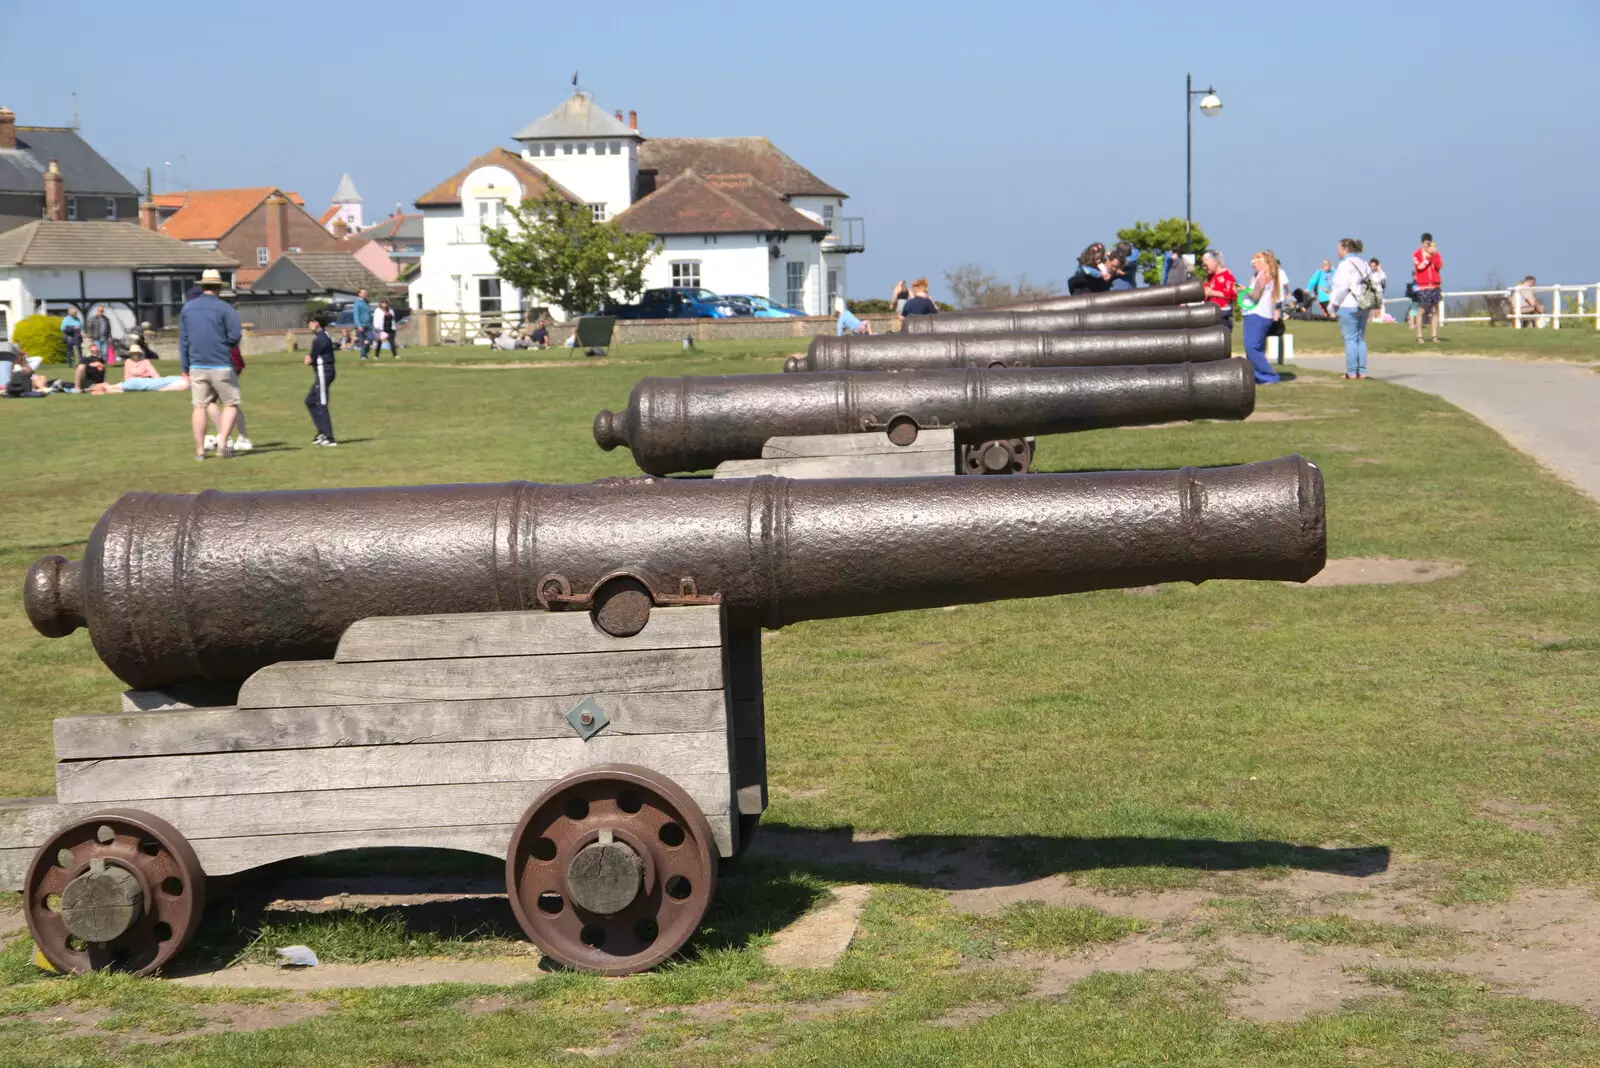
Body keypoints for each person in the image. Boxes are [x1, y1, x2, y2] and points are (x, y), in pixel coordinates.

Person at [180, 268, 243, 460]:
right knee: (230, 404)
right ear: (219, 288)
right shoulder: (225, 308)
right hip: (221, 363)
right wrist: (224, 343)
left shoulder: (187, 308)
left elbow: (183, 340)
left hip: (197, 365)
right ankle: (222, 442)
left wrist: (185, 366)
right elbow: (235, 335)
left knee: (199, 406)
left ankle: (200, 450)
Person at [1328, 238, 1373, 379]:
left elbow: (1341, 287)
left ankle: (1352, 372)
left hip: (1348, 304)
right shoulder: (1364, 263)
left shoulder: (1345, 265)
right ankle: (1362, 371)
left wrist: (1332, 305)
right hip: (1363, 304)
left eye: (1339, 248)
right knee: (1360, 338)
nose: (1337, 251)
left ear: (1345, 249)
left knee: (1350, 339)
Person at [1240, 252, 1283, 385]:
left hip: (1257, 315)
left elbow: (1255, 295)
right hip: (1263, 315)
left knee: (1251, 347)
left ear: (1261, 262)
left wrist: (1243, 289)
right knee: (1256, 347)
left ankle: (1269, 376)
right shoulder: (1270, 275)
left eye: (1254, 263)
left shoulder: (1264, 275)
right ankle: (1258, 376)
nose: (1253, 267)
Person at [305, 315, 338, 446]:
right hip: (323, 373)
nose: (309, 325)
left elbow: (311, 359)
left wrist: (308, 359)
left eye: (310, 323)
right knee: (310, 401)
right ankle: (322, 432)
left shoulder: (320, 339)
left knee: (321, 403)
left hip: (324, 372)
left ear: (316, 323)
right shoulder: (323, 335)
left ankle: (329, 437)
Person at [1412, 235, 1443, 342]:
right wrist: (1428, 257)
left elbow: (1439, 266)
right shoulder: (1417, 254)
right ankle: (1419, 336)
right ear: (1422, 243)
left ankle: (1434, 336)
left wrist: (1433, 255)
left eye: (1430, 243)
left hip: (1435, 285)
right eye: (1426, 243)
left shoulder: (1436, 254)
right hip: (1423, 286)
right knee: (1421, 310)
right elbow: (1420, 267)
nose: (1428, 245)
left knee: (1434, 311)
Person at [1200, 250, 1238, 330]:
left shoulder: (1227, 275)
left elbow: (1232, 294)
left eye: (1206, 265)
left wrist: (1212, 293)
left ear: (1215, 261)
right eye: (1203, 265)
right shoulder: (1210, 277)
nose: (1204, 268)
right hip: (1210, 313)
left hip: (1222, 314)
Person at [352, 289, 374, 359]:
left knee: (371, 338)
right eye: (364, 293)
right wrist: (359, 325)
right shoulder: (357, 303)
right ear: (359, 294)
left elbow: (369, 313)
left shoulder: (366, 302)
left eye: (366, 293)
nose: (365, 294)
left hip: (368, 325)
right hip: (361, 325)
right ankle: (363, 355)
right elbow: (356, 315)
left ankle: (365, 351)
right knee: (362, 341)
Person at [1367, 258, 1388, 322]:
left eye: (1374, 266)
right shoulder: (1369, 273)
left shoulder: (1380, 273)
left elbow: (1383, 278)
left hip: (1378, 291)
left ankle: (1377, 319)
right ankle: (1370, 319)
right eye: (1371, 266)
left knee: (1377, 307)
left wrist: (1379, 269)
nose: (1372, 267)